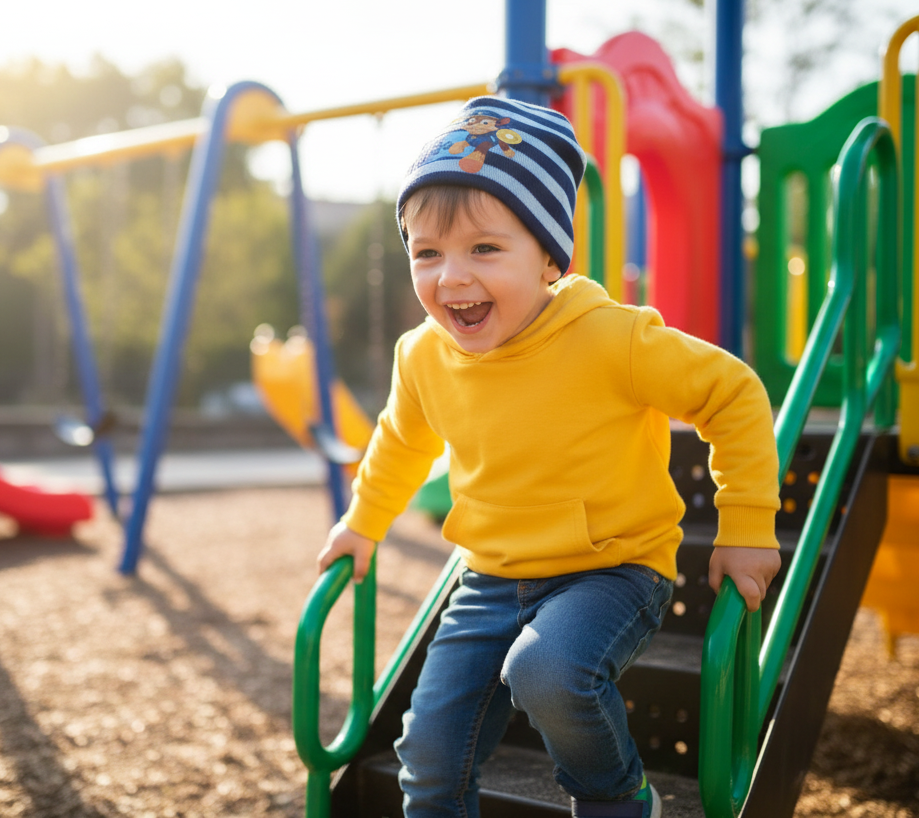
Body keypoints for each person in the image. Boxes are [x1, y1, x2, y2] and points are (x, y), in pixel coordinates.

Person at [316, 96, 781, 818]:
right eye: (426, 253)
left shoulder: (608, 338)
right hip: (490, 577)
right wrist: (363, 521)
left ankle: (619, 799)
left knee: (548, 670)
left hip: (612, 569)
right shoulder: (423, 357)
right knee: (429, 756)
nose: (450, 278)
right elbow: (402, 442)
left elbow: (734, 394)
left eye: (485, 249)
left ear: (548, 259)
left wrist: (746, 523)